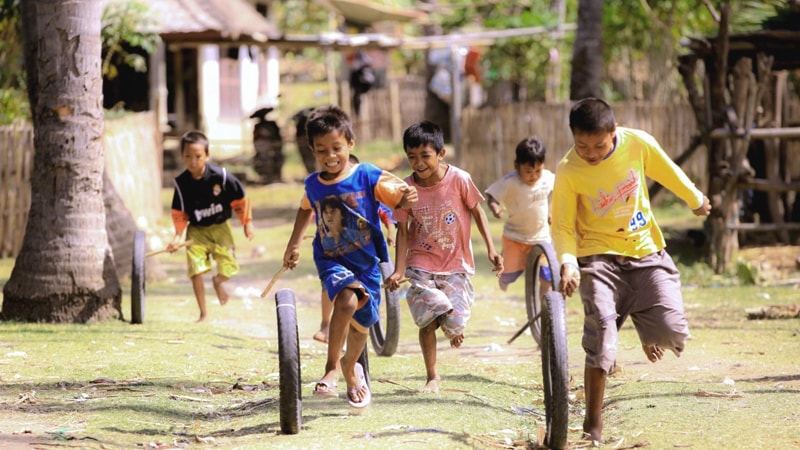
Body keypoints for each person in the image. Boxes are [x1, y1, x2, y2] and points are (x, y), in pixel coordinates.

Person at [551, 98, 711, 444]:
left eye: (598, 145)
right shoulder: (568, 170)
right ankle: (593, 425)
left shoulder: (637, 142)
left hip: (644, 249)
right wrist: (567, 263)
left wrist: (695, 198)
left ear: (614, 132)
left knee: (673, 334)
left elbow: (668, 170)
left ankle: (644, 320)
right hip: (596, 256)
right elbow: (562, 225)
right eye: (582, 145)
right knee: (602, 344)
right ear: (573, 137)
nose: (590, 153)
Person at [282, 105, 417, 408]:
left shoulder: (367, 175)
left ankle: (349, 366)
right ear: (312, 151)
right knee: (346, 299)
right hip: (331, 259)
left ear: (350, 144)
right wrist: (293, 245)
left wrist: (407, 197)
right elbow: (306, 209)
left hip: (367, 263)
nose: (330, 156)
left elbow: (400, 194)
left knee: (362, 326)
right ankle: (332, 367)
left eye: (336, 148)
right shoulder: (313, 185)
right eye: (321, 150)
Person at [386, 120, 504, 394]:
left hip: (455, 263)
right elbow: (402, 230)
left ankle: (453, 327)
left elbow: (478, 212)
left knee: (454, 320)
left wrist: (491, 248)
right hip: (421, 263)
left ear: (440, 154)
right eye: (411, 157)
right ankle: (433, 377)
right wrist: (399, 269)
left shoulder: (459, 179)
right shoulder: (405, 190)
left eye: (425, 156)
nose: (418, 163)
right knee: (431, 316)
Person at [166, 130, 254, 323]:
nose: (193, 161)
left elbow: (240, 198)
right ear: (182, 157)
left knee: (229, 267)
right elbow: (179, 215)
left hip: (221, 229)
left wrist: (247, 223)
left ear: (207, 155)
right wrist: (176, 239)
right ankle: (203, 313)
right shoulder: (181, 184)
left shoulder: (221, 177)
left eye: (198, 156)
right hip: (196, 232)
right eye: (188, 156)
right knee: (195, 271)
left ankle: (218, 282)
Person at [312, 154, 398, 344]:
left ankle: (357, 327)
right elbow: (314, 212)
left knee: (362, 298)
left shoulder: (369, 190)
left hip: (363, 254)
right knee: (329, 285)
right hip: (336, 253)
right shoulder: (331, 196)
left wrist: (391, 232)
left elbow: (387, 216)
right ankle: (326, 324)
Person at [485, 136, 555, 292]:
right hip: (515, 238)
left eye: (538, 170)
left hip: (541, 237)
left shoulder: (547, 178)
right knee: (509, 275)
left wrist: (552, 211)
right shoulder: (510, 182)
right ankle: (504, 281)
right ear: (517, 166)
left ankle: (546, 311)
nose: (534, 176)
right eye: (528, 171)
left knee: (547, 276)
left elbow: (561, 191)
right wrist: (495, 207)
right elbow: (492, 195)